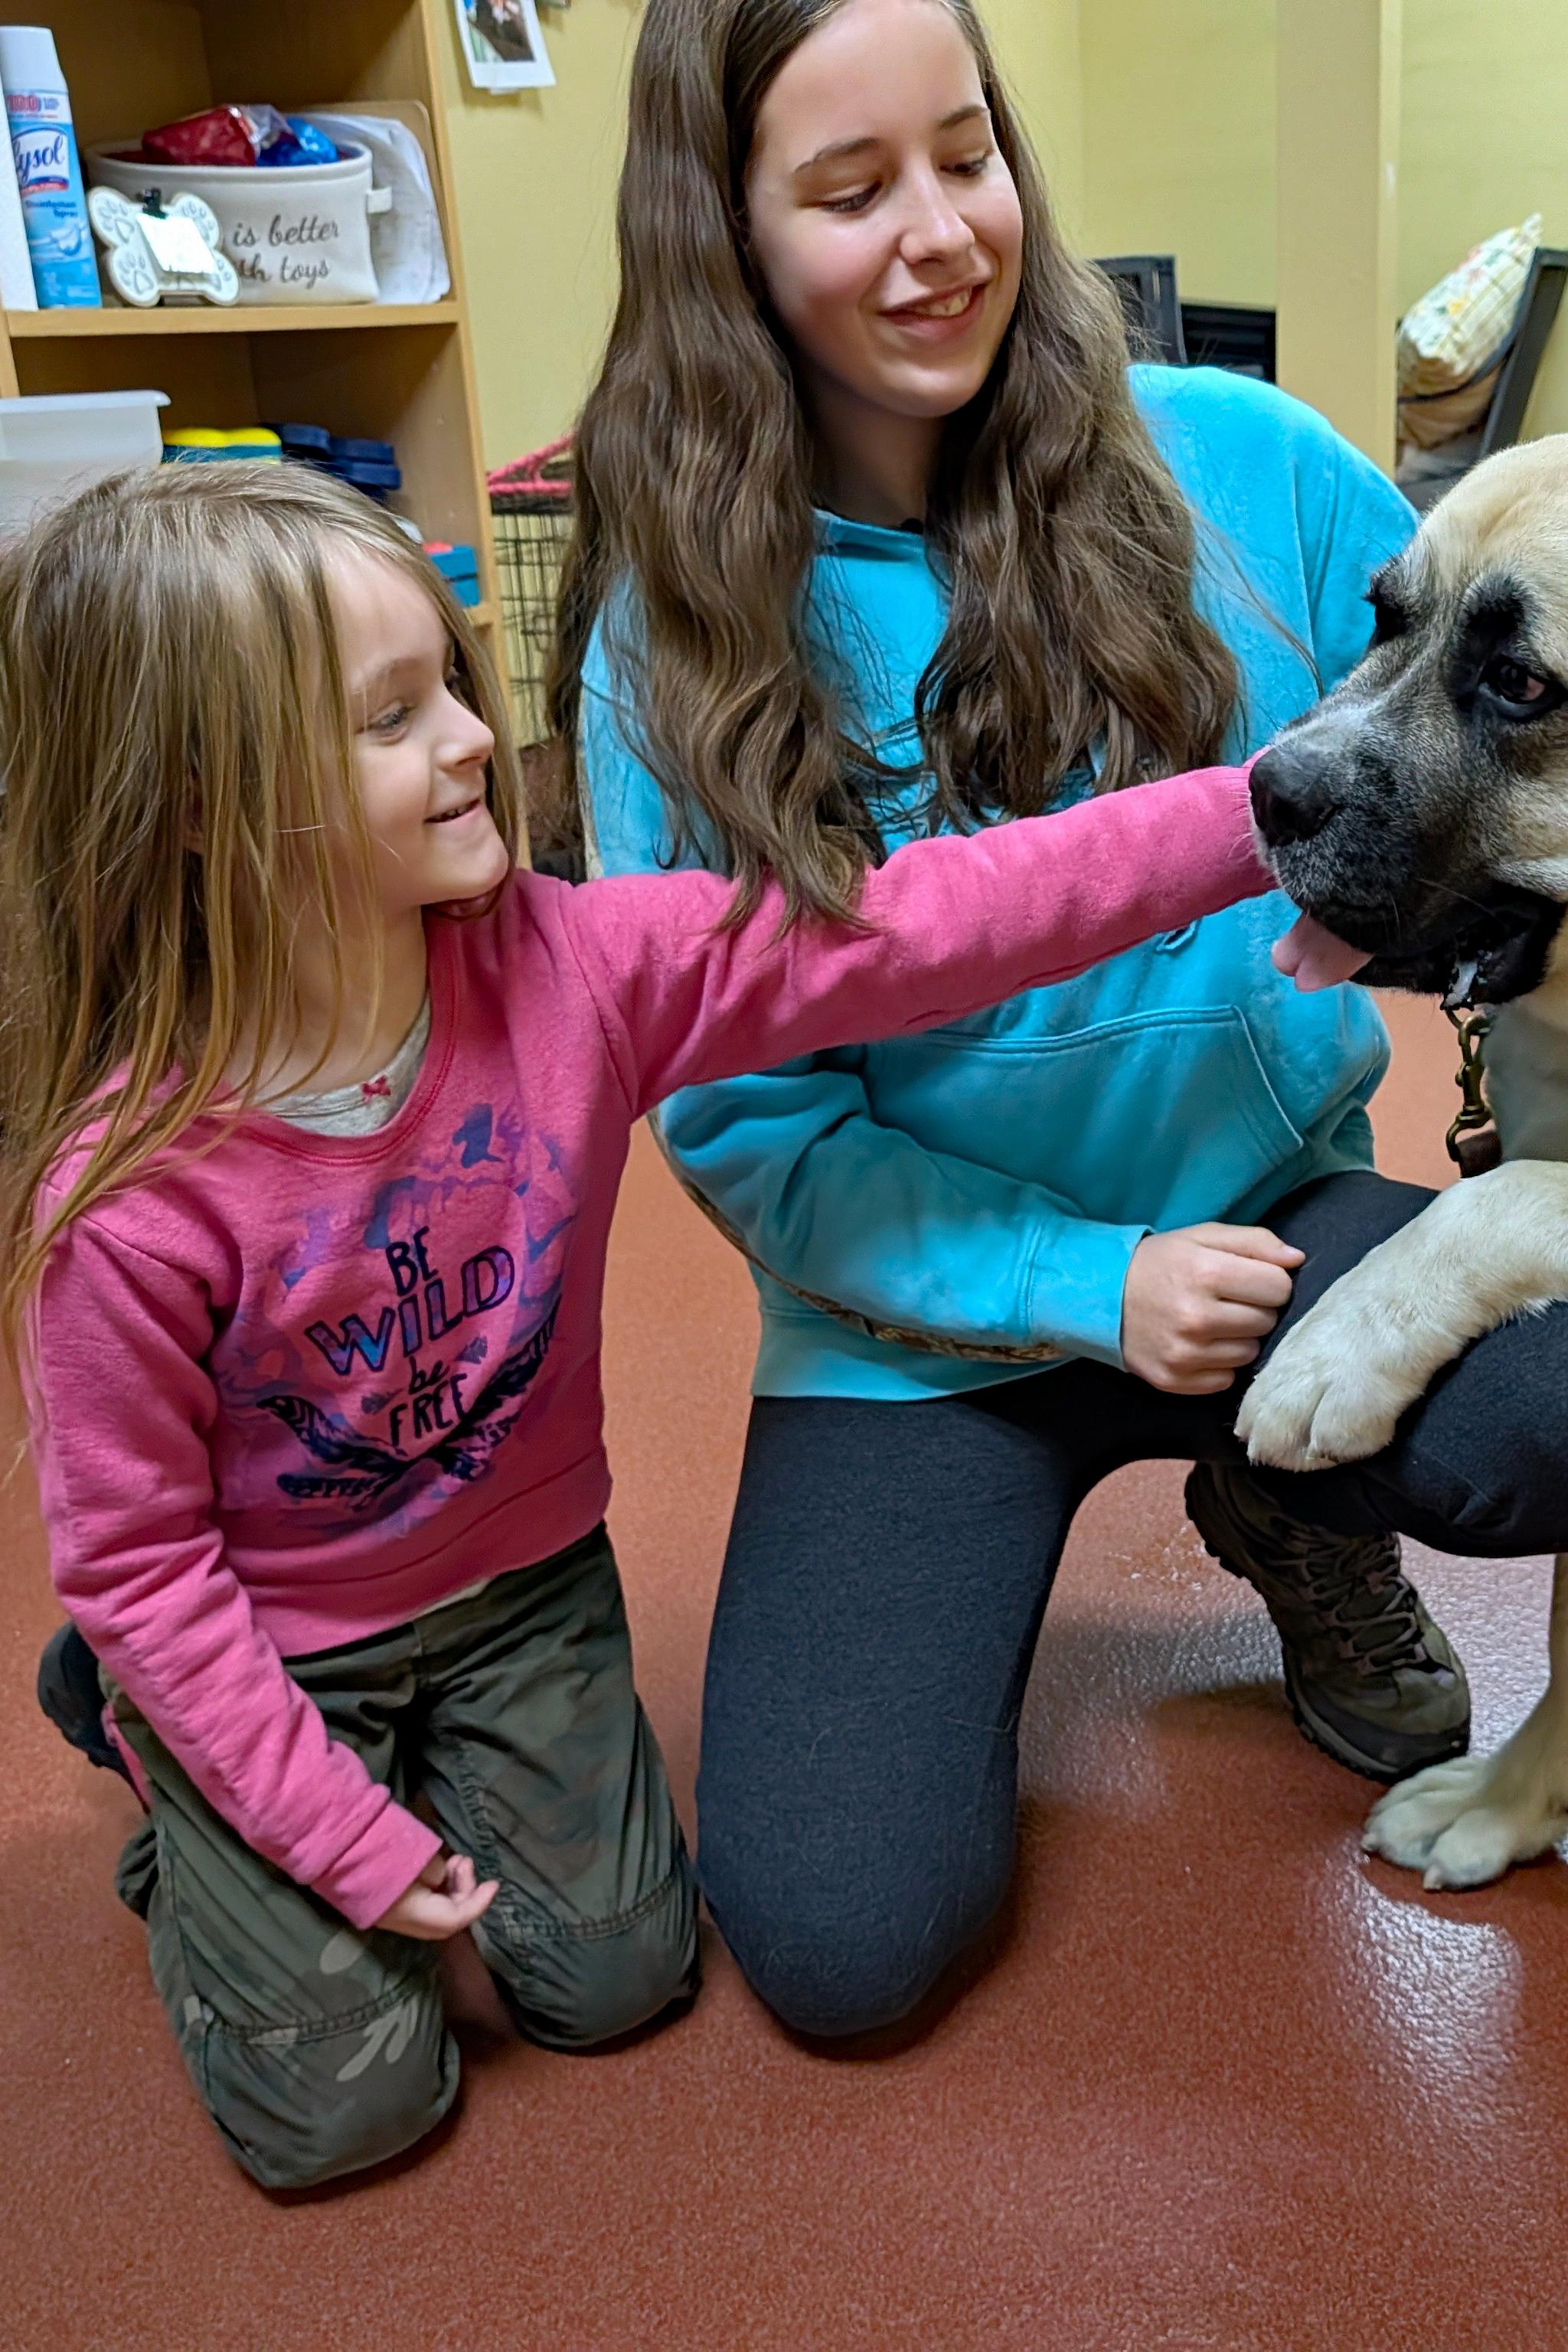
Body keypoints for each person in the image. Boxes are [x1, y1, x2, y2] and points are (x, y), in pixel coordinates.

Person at [557, 0, 1568, 2041]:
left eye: (967, 154)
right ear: (723, 235)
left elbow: (1515, 670)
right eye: (851, 190)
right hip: (916, 1333)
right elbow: (741, 1126)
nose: (940, 233)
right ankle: (1195, 1448)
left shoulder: (1226, 460)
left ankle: (1289, 1503)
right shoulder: (671, 639)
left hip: (1263, 1242)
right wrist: (1082, 1282)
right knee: (844, 1946)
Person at [5, 462, 1285, 2187]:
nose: (471, 742)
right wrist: (328, 1834)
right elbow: (144, 1563)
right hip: (269, 1629)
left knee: (615, 1984)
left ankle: (352, 1770)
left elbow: (924, 923)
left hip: (518, 1592)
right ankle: (158, 1749)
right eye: (389, 721)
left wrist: (1266, 810)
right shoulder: (128, 1193)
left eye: (451, 684)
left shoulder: (570, 966)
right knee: (351, 2110)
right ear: (195, 806)